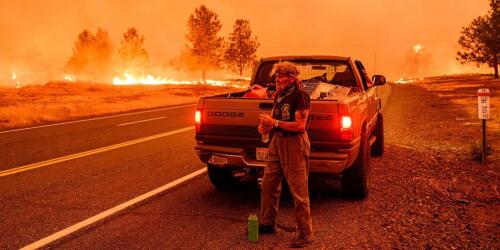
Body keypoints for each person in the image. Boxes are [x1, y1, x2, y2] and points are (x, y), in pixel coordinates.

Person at [258, 61, 314, 248]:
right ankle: (267, 223)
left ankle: (306, 234)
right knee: (268, 183)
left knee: (298, 190)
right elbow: (277, 119)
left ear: (291, 78)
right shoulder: (280, 95)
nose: (276, 79)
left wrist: (273, 123)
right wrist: (265, 126)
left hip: (295, 144)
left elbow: (300, 126)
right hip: (277, 141)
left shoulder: (301, 96)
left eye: (280, 76)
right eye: (276, 76)